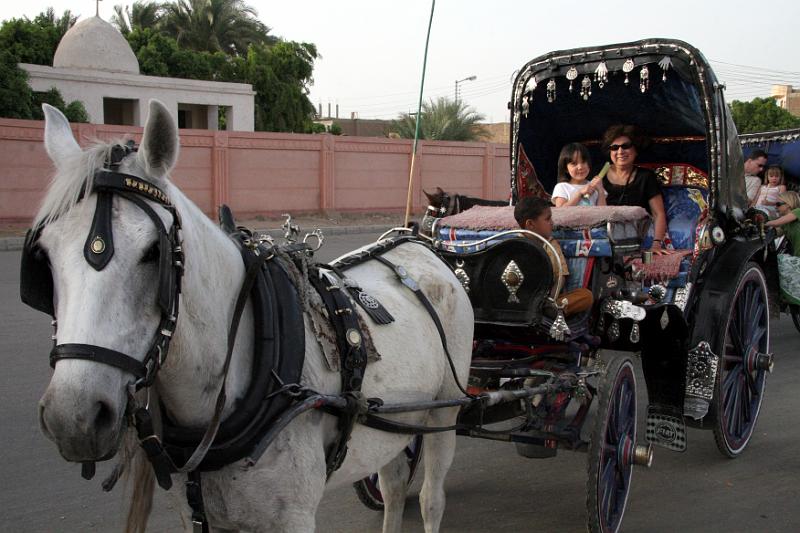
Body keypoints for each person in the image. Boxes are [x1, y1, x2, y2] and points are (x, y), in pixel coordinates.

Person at [513, 196, 593, 316]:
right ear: (530, 224)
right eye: (547, 219)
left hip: (547, 299)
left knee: (586, 296)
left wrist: (549, 300)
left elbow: (561, 276)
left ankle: (549, 310)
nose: (552, 223)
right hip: (520, 300)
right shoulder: (514, 245)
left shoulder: (551, 244)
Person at [599, 124, 670, 252]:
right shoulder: (599, 175)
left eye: (625, 146)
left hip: (638, 235)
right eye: (614, 148)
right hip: (605, 236)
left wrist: (656, 244)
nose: (620, 151)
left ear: (636, 150)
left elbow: (658, 213)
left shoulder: (646, 176)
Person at [551, 143, 606, 207]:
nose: (580, 167)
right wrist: (579, 193)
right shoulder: (562, 187)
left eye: (583, 162)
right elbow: (561, 210)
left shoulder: (595, 186)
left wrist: (600, 190)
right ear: (566, 168)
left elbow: (603, 211)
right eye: (574, 163)